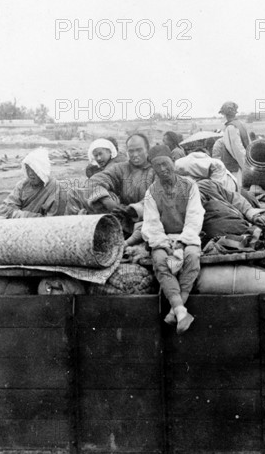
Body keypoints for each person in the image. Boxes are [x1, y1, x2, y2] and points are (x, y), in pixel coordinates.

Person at [141, 145, 204, 334]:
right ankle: (181, 310)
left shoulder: (190, 185)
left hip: (188, 235)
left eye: (165, 164)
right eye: (157, 166)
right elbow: (151, 223)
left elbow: (195, 215)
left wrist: (184, 241)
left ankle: (175, 309)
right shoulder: (151, 192)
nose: (162, 169)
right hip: (164, 238)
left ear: (173, 162)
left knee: (192, 257)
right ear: (152, 168)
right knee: (160, 260)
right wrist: (164, 244)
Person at [88, 134, 156, 241]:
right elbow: (95, 181)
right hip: (123, 220)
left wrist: (133, 209)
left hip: (149, 221)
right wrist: (106, 200)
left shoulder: (156, 170)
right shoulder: (121, 169)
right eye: (131, 151)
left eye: (139, 150)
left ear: (147, 149)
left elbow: (156, 196)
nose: (135, 154)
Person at [0, 148, 70, 218]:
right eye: (27, 169)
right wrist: (22, 215)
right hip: (18, 222)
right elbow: (5, 208)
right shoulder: (22, 185)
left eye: (33, 169)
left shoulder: (55, 188)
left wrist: (20, 215)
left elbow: (53, 219)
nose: (30, 173)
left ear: (42, 170)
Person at [218, 101, 250, 186]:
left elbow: (237, 150)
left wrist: (245, 168)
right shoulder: (241, 124)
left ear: (226, 114)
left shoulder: (231, 127)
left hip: (235, 169)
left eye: (223, 114)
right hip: (240, 166)